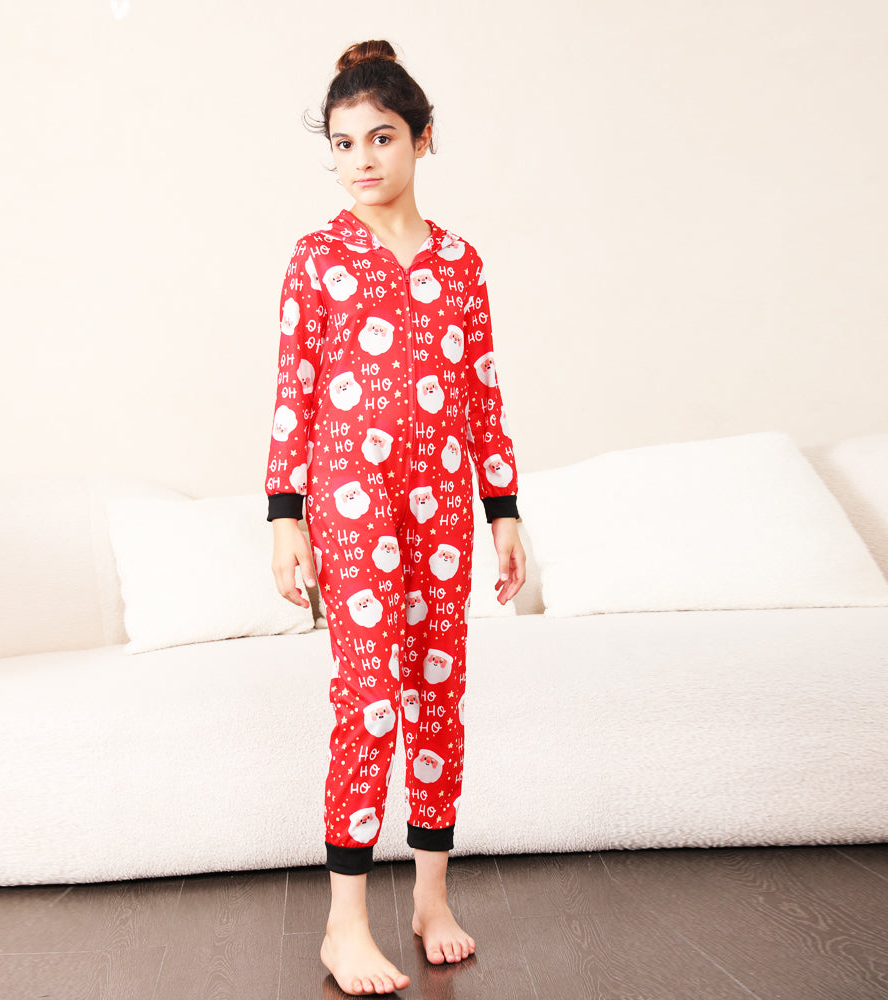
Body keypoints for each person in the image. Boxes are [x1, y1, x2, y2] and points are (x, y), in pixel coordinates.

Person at [264, 38, 526, 996]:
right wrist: (284, 516)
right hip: (350, 503)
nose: (362, 159)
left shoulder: (461, 263)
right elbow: (294, 393)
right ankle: (344, 926)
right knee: (370, 697)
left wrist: (503, 509)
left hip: (444, 503)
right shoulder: (317, 259)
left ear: (423, 137)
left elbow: (481, 392)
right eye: (343, 144)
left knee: (436, 694)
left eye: (381, 137)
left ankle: (430, 900)